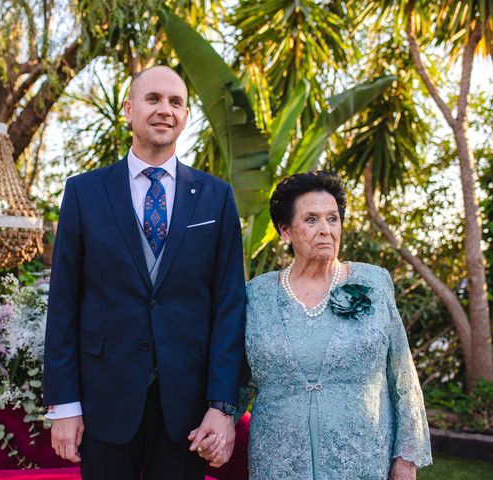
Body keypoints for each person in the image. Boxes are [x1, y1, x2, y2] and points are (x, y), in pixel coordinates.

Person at [43, 65, 246, 480]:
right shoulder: (84, 192)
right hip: (105, 399)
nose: (164, 110)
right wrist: (64, 406)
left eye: (176, 102)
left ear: (186, 115)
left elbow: (229, 305)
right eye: (153, 99)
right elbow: (64, 301)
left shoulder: (216, 197)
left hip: (186, 410)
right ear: (129, 109)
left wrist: (222, 405)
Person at [198, 171, 432, 479]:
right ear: (285, 230)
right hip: (278, 459)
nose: (326, 230)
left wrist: (406, 459)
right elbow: (239, 376)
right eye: (311, 220)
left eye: (332, 219)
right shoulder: (256, 294)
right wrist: (222, 418)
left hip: (362, 458)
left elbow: (402, 375)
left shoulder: (373, 282)